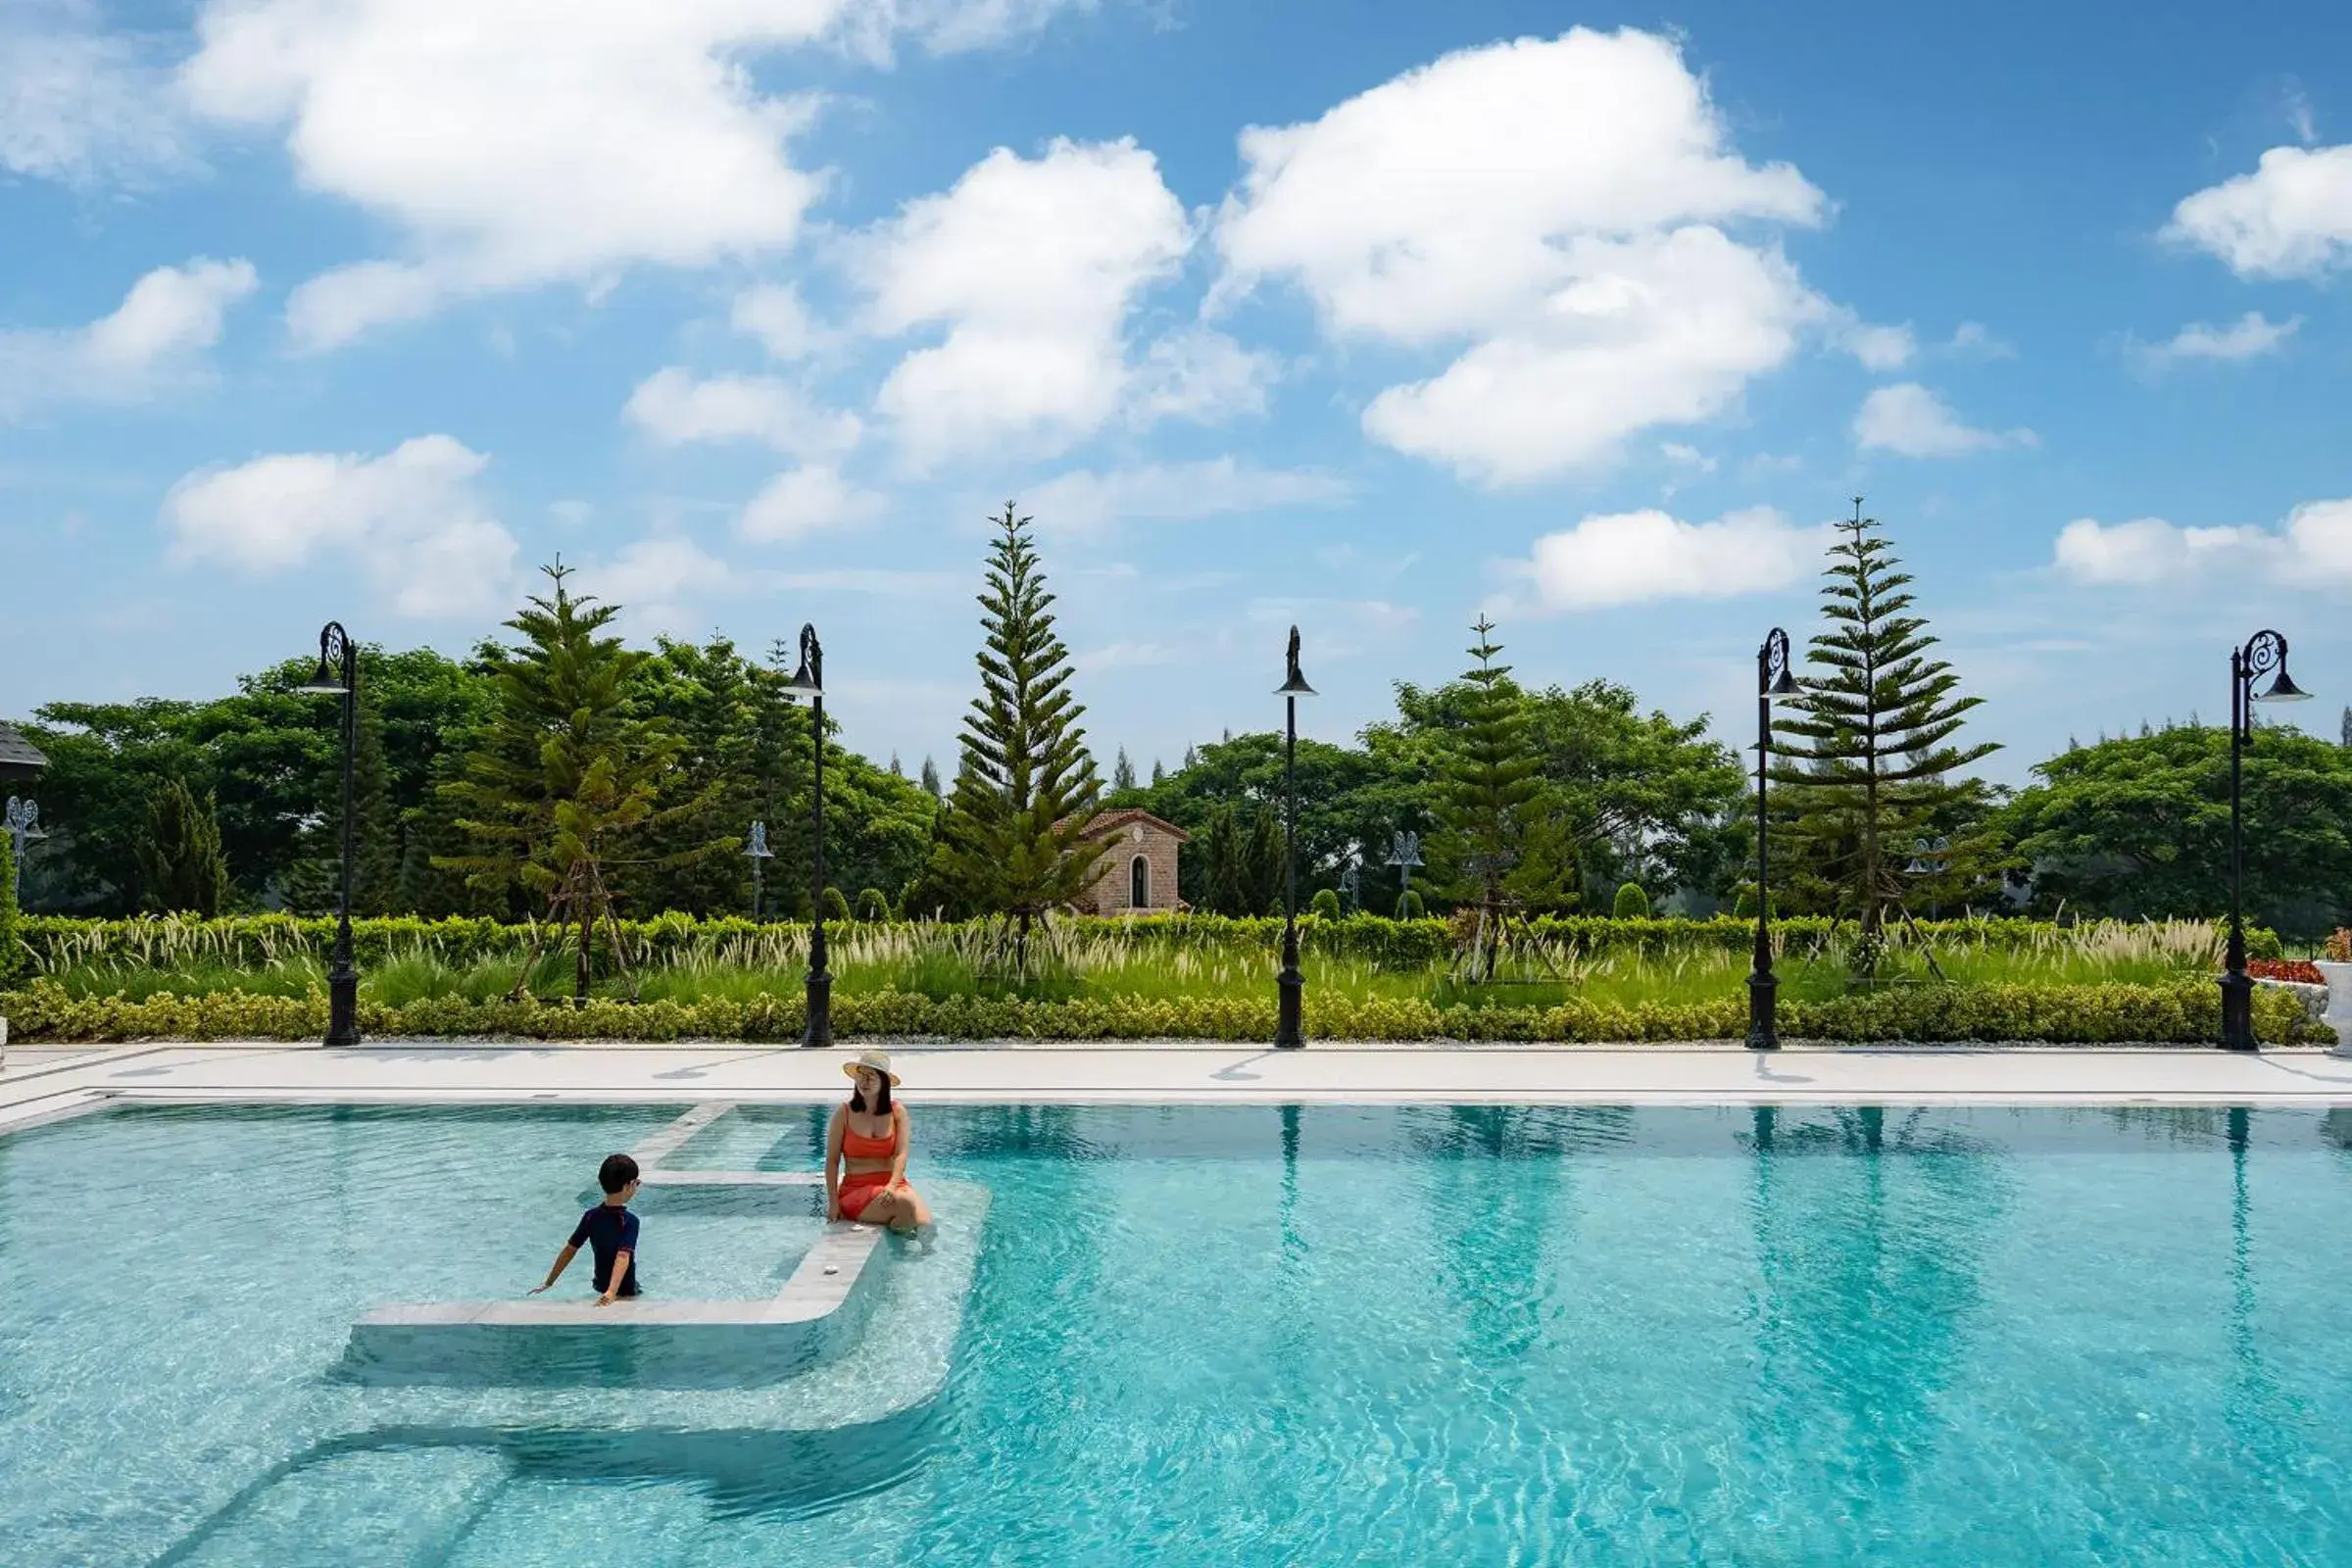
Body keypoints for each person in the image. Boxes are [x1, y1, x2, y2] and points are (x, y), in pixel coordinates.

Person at [826, 1050, 931, 1234]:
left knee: (925, 1224)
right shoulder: (843, 1113)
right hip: (856, 1189)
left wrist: (892, 1185)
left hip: (893, 1184)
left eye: (871, 1076)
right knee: (906, 1206)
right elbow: (832, 1161)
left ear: (884, 1082)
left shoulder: (897, 1112)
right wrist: (833, 1203)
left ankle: (905, 1249)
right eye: (861, 1075)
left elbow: (901, 1154)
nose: (864, 1081)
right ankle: (901, 1246)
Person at [530, 1152, 642, 1305]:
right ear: (628, 1186)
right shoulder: (630, 1221)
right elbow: (622, 1256)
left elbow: (570, 1249)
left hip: (599, 1285)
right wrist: (611, 1292)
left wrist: (549, 1282)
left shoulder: (590, 1216)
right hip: (625, 1289)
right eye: (637, 1183)